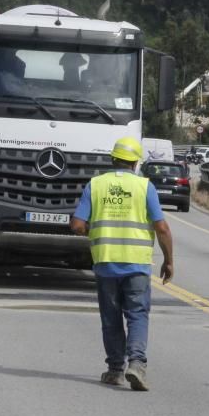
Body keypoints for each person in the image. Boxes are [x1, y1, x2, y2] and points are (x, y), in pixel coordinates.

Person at [70, 136, 174, 391]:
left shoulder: (95, 185)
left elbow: (77, 224)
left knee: (111, 317)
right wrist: (169, 260)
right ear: (135, 162)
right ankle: (136, 364)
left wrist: (93, 232)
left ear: (113, 159)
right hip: (136, 263)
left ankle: (115, 370)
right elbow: (161, 227)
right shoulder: (144, 187)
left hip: (106, 262)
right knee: (137, 314)